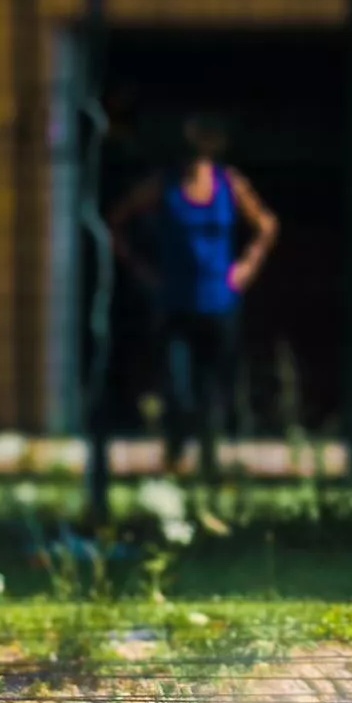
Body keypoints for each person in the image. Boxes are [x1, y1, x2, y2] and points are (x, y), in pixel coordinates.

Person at [107, 114, 275, 476]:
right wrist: (140, 269)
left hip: (219, 303)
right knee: (176, 386)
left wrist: (246, 266)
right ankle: (175, 453)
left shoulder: (230, 184)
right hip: (174, 304)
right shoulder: (162, 186)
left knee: (212, 388)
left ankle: (211, 463)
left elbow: (266, 225)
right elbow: (117, 221)